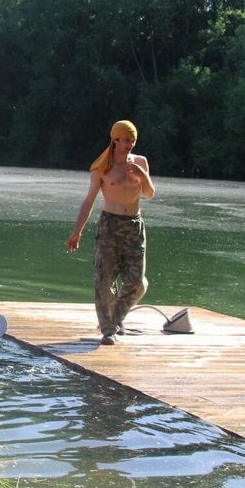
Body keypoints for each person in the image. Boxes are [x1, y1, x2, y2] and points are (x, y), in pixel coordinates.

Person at [65, 120, 156, 346]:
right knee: (104, 280)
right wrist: (77, 232)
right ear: (115, 140)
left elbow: (150, 194)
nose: (130, 144)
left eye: (133, 140)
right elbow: (88, 201)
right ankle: (108, 330)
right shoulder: (102, 167)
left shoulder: (140, 162)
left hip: (134, 225)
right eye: (126, 140)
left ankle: (115, 319)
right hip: (109, 226)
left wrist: (143, 175)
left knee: (137, 282)